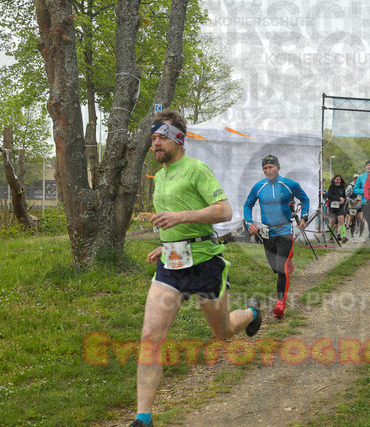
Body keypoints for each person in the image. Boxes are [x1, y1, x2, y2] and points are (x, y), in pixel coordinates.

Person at [132, 109, 262, 427]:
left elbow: (224, 211)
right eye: (152, 138)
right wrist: (165, 245)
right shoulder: (160, 177)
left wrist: (180, 217)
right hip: (170, 266)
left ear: (178, 138)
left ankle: (251, 313)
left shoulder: (196, 169)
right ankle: (143, 418)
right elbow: (171, 224)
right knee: (150, 335)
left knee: (223, 332)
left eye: (162, 137)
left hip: (205, 263)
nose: (155, 143)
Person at [244, 155, 310, 319]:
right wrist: (249, 222)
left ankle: (280, 303)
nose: (268, 171)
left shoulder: (290, 185)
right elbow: (247, 205)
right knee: (275, 268)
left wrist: (304, 217)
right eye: (265, 168)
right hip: (267, 233)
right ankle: (289, 258)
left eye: (271, 167)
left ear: (278, 167)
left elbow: (305, 199)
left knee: (281, 269)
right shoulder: (258, 187)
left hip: (285, 230)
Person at [353, 160, 370, 245]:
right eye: (367, 165)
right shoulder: (361, 177)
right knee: (369, 221)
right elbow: (355, 190)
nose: (369, 167)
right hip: (365, 202)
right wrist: (365, 191)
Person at [327, 174, 348, 243]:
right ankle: (331, 237)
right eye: (337, 179)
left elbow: (344, 196)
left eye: (339, 179)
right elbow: (329, 196)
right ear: (334, 180)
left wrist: (343, 201)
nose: (338, 181)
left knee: (341, 221)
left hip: (340, 207)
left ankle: (344, 236)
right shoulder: (331, 187)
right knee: (332, 223)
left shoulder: (342, 187)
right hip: (332, 207)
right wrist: (338, 198)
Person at [345, 174, 364, 242]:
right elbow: (346, 196)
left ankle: (360, 236)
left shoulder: (362, 186)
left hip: (360, 205)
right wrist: (352, 201)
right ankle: (352, 237)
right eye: (356, 179)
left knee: (362, 220)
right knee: (353, 221)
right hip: (352, 206)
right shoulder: (350, 187)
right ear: (354, 179)